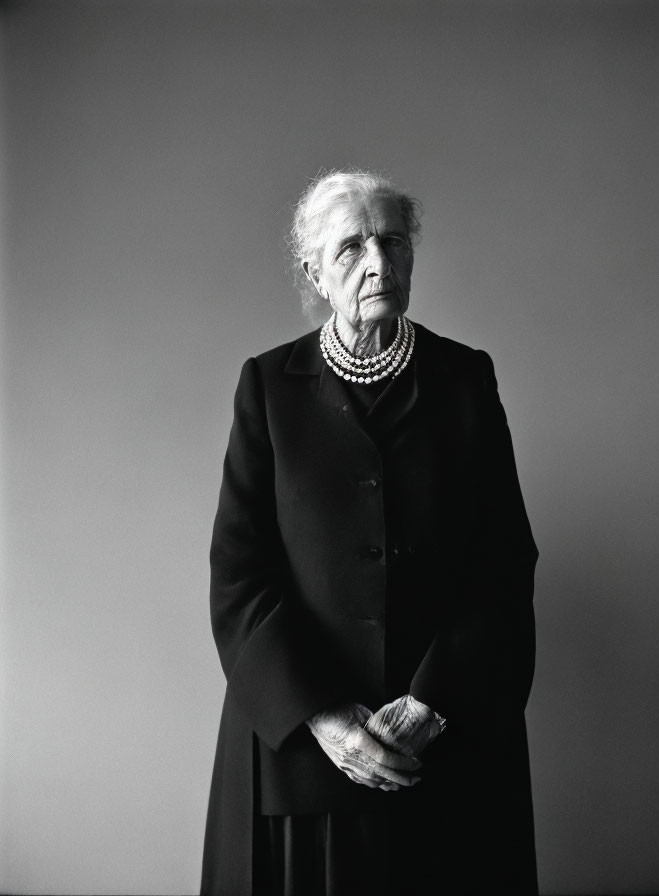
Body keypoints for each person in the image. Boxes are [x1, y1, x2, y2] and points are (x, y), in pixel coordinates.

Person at [200, 169, 539, 895]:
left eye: (392, 241)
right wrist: (323, 716)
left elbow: (502, 563)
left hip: (446, 740)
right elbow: (238, 570)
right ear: (314, 272)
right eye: (351, 247)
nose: (378, 261)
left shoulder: (466, 380)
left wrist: (431, 704)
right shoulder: (268, 387)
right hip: (301, 751)